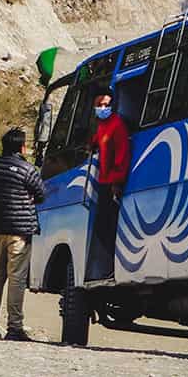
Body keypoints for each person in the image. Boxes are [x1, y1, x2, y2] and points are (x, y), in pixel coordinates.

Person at [0, 127, 46, 342]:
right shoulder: (28, 169)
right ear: (22, 147)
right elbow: (40, 194)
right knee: (16, 279)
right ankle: (14, 327)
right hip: (19, 231)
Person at [85, 90, 130, 282]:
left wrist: (117, 182)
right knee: (101, 228)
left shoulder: (116, 125)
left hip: (112, 183)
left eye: (106, 105)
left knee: (110, 226)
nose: (102, 108)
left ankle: (113, 268)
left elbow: (122, 154)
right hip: (102, 183)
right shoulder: (102, 127)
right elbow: (96, 142)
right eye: (99, 105)